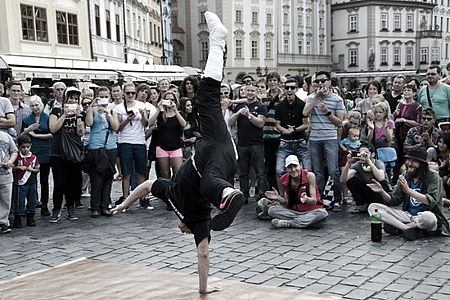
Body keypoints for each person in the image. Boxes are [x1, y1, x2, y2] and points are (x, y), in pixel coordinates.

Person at [111, 11, 245, 294]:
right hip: (217, 164)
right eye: (182, 231)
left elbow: (146, 185)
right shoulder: (197, 220)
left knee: (205, 99)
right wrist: (203, 289)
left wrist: (125, 204)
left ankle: (218, 40)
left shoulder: (173, 197)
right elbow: (203, 255)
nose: (180, 230)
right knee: (210, 183)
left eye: (181, 231)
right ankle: (228, 195)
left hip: (212, 145)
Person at [367, 145, 450, 240]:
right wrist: (381, 191)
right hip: (409, 216)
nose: (409, 164)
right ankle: (407, 228)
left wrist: (409, 191)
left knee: (428, 218)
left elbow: (430, 201)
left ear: (422, 164)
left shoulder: (433, 176)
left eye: (414, 161)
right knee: (373, 207)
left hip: (428, 217)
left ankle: (399, 227)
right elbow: (394, 200)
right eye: (408, 160)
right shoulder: (405, 175)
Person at [303, 71, 345, 211]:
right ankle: (320, 200)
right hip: (315, 138)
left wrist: (327, 112)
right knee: (318, 171)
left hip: (330, 138)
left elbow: (339, 123)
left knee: (333, 170)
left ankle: (337, 199)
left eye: (323, 81)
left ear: (329, 82)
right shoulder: (311, 98)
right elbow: (304, 112)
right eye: (318, 81)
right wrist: (316, 97)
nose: (320, 84)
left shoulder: (337, 99)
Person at [48, 87, 85, 222]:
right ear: (65, 98)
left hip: (73, 152)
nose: (73, 100)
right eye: (71, 98)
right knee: (59, 183)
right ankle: (56, 208)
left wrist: (78, 115)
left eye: (76, 98)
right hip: (57, 152)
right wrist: (64, 114)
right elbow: (53, 129)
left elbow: (81, 132)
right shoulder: (56, 110)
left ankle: (70, 206)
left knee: (72, 183)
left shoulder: (80, 113)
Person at [262, 155, 328, 228]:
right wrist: (278, 198)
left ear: (300, 166)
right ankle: (307, 222)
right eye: (290, 167)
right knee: (271, 210)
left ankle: (289, 223)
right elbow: (287, 202)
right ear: (286, 169)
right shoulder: (285, 179)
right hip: (293, 211)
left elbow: (314, 201)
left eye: (295, 166)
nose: (293, 170)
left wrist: (306, 199)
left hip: (310, 210)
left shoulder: (310, 176)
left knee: (322, 213)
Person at [229, 81, 268, 201]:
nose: (250, 93)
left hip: (256, 143)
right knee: (242, 172)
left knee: (260, 171)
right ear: (244, 92)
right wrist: (237, 114)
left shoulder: (261, 106)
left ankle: (262, 194)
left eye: (252, 90)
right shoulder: (239, 106)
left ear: (257, 92)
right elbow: (231, 123)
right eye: (248, 90)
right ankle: (244, 195)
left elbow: (261, 123)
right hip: (242, 144)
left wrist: (249, 115)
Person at [85, 87, 119, 217]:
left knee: (108, 177)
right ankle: (95, 206)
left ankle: (105, 205)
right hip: (96, 147)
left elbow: (116, 127)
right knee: (96, 178)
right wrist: (91, 106)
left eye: (106, 96)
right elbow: (89, 123)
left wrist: (108, 113)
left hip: (110, 147)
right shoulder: (92, 110)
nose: (104, 99)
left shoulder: (112, 110)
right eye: (101, 96)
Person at [113, 83, 149, 210]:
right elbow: (117, 129)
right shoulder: (118, 108)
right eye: (128, 93)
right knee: (126, 174)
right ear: (124, 93)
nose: (130, 95)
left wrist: (143, 114)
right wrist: (128, 119)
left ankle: (143, 199)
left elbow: (145, 124)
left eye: (133, 93)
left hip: (139, 142)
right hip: (125, 142)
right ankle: (125, 201)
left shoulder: (141, 105)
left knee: (141, 173)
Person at [275, 77, 311, 192]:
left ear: (296, 89)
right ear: (284, 89)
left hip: (300, 142)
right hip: (285, 142)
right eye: (287, 88)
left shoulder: (302, 104)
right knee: (279, 170)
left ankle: (306, 194)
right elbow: (277, 124)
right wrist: (284, 130)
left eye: (292, 88)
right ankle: (283, 196)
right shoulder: (280, 105)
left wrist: (294, 130)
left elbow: (306, 125)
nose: (289, 90)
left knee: (307, 171)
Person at [21, 95, 52, 216]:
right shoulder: (27, 119)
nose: (35, 108)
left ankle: (45, 205)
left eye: (37, 105)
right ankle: (32, 203)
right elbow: (22, 135)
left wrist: (36, 135)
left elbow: (52, 134)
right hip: (31, 152)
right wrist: (29, 130)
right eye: (32, 106)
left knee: (44, 180)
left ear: (41, 105)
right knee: (30, 179)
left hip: (46, 150)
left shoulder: (48, 118)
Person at [340, 141, 390, 214]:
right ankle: (363, 204)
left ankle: (378, 204)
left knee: (377, 181)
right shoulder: (358, 164)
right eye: (360, 153)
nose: (362, 155)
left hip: (380, 192)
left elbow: (381, 178)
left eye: (366, 153)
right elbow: (343, 180)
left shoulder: (378, 163)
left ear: (373, 154)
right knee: (351, 180)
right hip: (368, 190)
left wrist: (368, 161)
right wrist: (348, 163)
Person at [148, 91, 186, 179]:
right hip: (162, 146)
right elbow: (150, 123)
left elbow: (183, 124)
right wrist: (158, 108)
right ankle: (167, 191)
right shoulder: (161, 115)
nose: (170, 101)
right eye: (167, 99)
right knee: (165, 173)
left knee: (178, 172)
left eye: (172, 99)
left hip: (176, 146)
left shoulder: (180, 113)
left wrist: (175, 110)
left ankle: (176, 191)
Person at [12, 134, 40, 228]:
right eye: (23, 147)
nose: (26, 149)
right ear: (19, 147)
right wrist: (19, 167)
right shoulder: (17, 157)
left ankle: (30, 217)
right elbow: (12, 167)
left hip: (31, 182)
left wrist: (31, 170)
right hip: (20, 182)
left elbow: (37, 169)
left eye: (28, 147)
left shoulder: (33, 158)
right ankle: (18, 217)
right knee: (19, 201)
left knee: (32, 200)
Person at [418, 65, 450, 131]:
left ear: (440, 74)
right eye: (428, 74)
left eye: (433, 74)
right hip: (426, 124)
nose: (430, 76)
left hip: (442, 124)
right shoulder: (422, 90)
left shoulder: (447, 89)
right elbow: (419, 106)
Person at [0, 130, 18, 233]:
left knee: (6, 200)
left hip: (6, 175)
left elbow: (14, 151)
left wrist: (10, 161)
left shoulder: (6, 136)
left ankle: (3, 222)